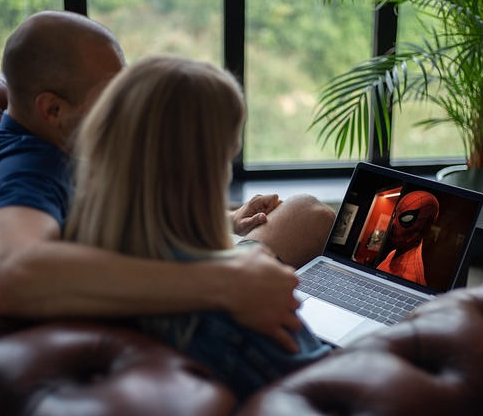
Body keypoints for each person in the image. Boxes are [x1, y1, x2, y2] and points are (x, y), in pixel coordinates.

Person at [0, 10, 336, 354]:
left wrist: (228, 221)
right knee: (307, 216)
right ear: (52, 109)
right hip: (175, 320)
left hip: (172, 282)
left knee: (307, 214)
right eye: (112, 96)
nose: (127, 107)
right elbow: (11, 275)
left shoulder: (53, 147)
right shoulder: (20, 172)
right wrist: (222, 281)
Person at [64, 55, 332, 399]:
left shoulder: (77, 257)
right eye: (229, 150)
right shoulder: (241, 302)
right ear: (211, 164)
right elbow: (331, 394)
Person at [376, 190, 439, 285]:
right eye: (394, 215)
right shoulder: (394, 254)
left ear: (426, 226)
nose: (393, 223)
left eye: (407, 218)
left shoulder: (409, 276)